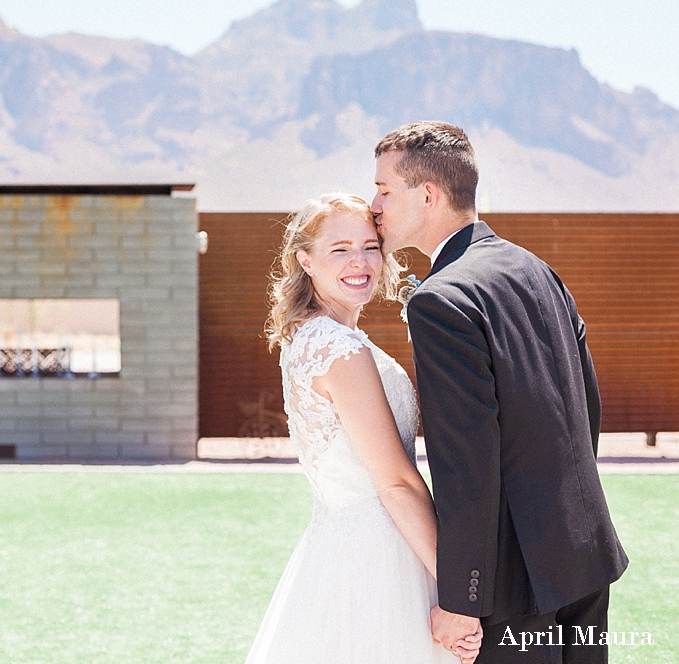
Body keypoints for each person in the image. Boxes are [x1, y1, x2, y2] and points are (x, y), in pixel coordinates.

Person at [371, 121, 629, 663]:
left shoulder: (441, 300)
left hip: (515, 587)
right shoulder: (537, 271)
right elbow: (586, 408)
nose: (375, 205)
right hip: (583, 558)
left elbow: (466, 460)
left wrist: (462, 598)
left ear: (428, 194)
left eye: (384, 189)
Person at [246, 194, 481, 663]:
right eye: (340, 249)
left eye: (370, 246)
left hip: (343, 542)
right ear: (305, 261)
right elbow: (394, 482)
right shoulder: (338, 349)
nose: (361, 262)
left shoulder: (315, 337)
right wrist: (459, 596)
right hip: (379, 558)